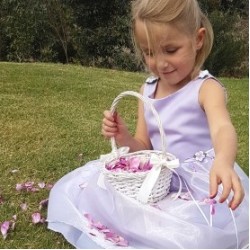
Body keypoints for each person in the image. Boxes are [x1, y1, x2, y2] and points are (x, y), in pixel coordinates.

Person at [47, 0, 249, 248]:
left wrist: (224, 161)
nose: (161, 63)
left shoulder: (206, 88)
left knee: (194, 233)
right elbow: (143, 145)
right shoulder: (148, 90)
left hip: (199, 183)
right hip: (158, 178)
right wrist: (123, 137)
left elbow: (222, 128)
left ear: (198, 39)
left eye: (171, 50)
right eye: (150, 52)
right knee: (94, 189)